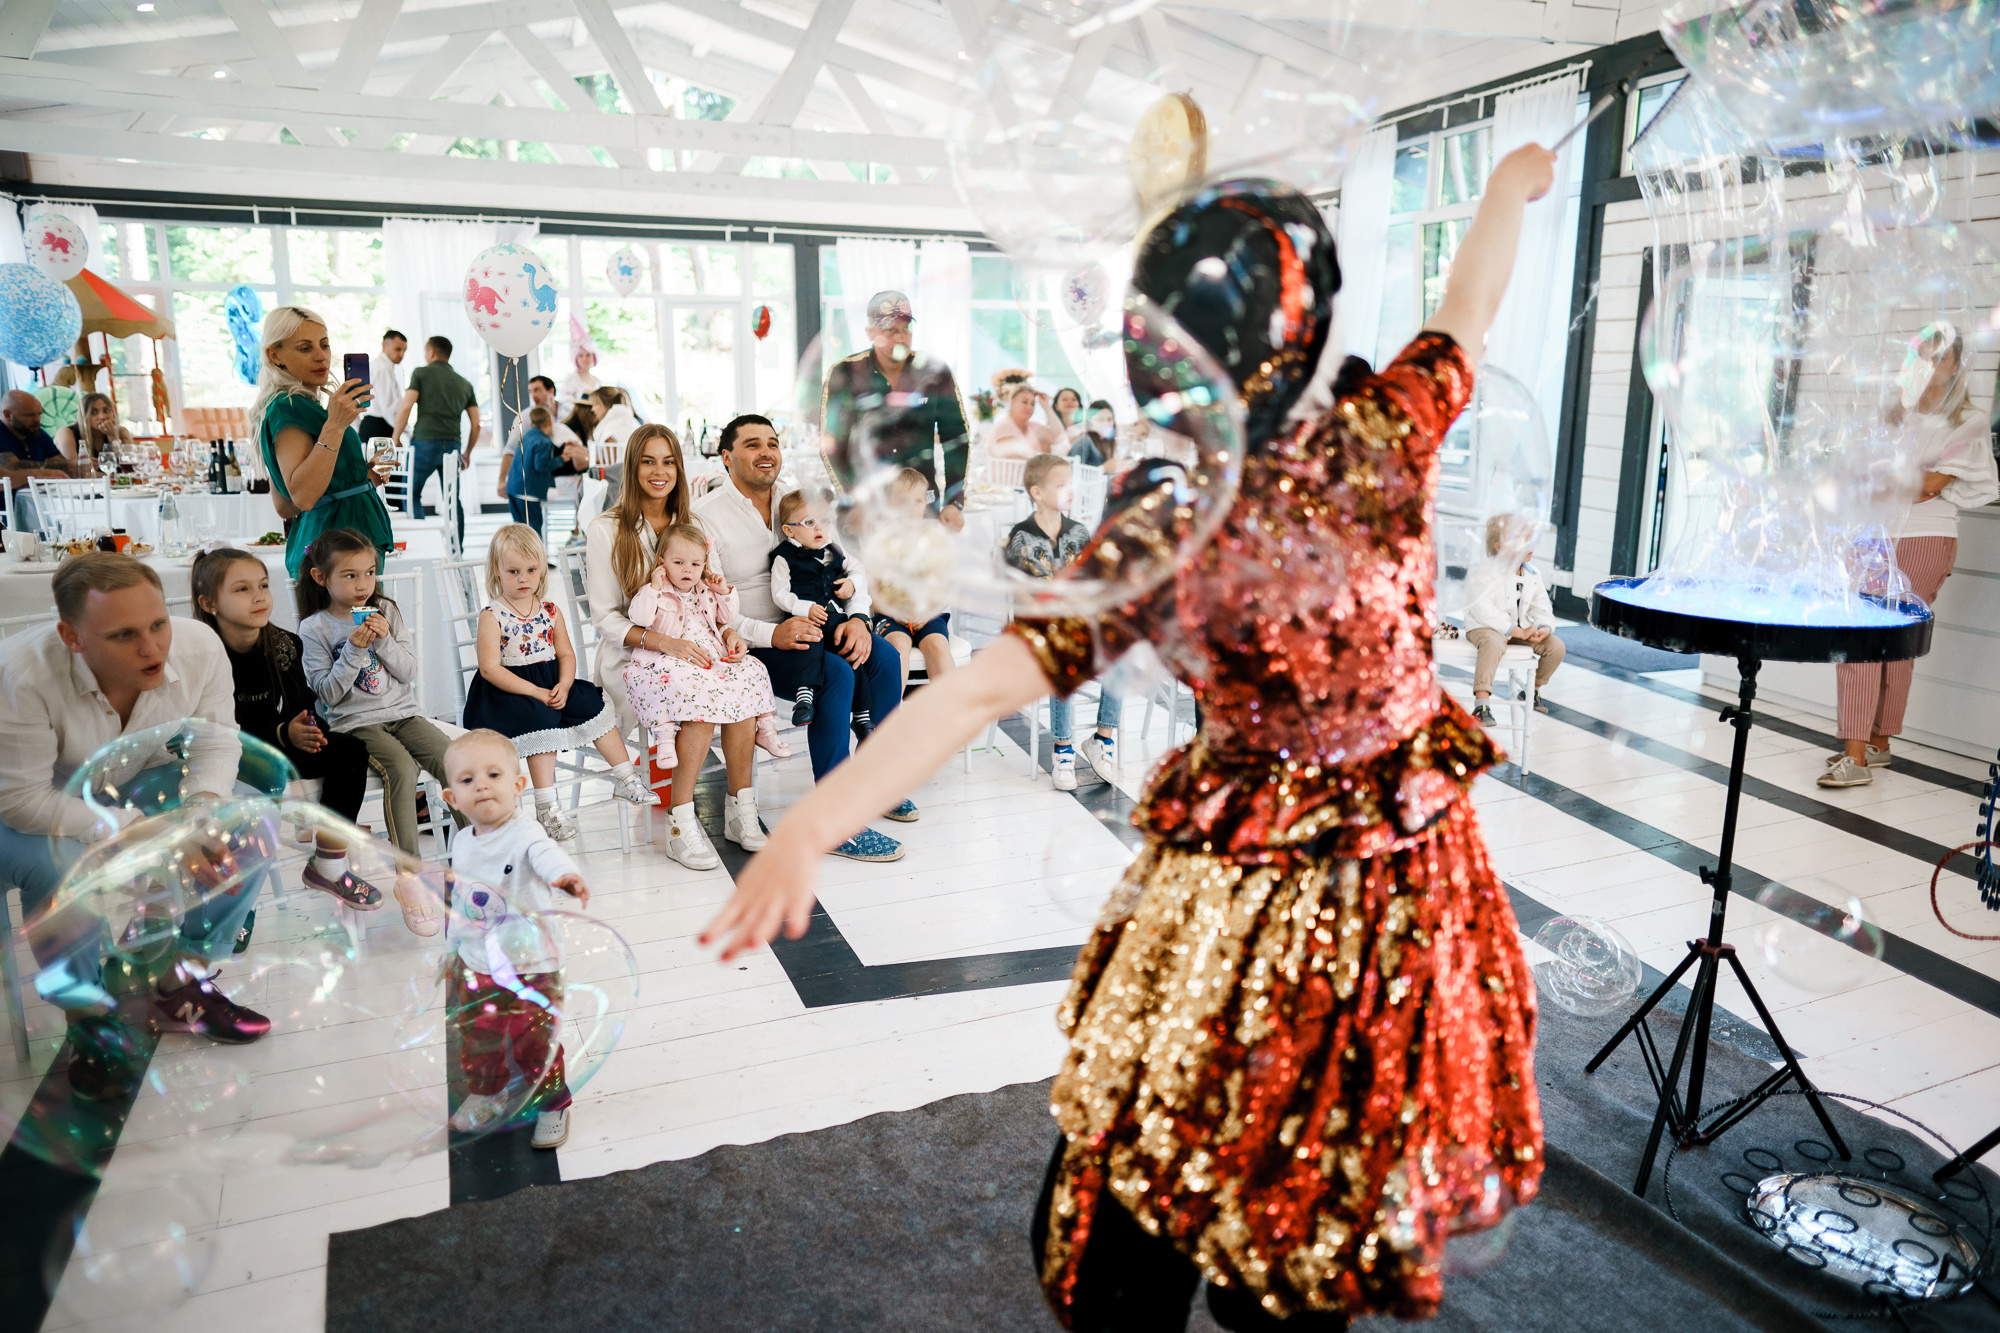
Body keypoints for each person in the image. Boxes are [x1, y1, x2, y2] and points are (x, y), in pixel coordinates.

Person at [704, 145, 1559, 1331]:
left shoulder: (1179, 514)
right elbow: (1466, 306)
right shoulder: (1384, 425)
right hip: (1401, 887)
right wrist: (1507, 186)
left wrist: (807, 825)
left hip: (1251, 897)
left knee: (1151, 1212)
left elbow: (979, 689)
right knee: (1309, 1197)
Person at [0, 554, 271, 1100]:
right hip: (22, 803)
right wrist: (136, 829)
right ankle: (86, 1017)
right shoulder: (22, 676)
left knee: (249, 821)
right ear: (72, 637)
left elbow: (217, 742)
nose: (152, 649)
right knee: (62, 866)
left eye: (158, 624)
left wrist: (200, 813)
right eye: (123, 635)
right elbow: (22, 799)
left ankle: (180, 979)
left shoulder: (199, 647)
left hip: (124, 778)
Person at [694, 414, 911, 864]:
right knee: (835, 674)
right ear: (726, 456)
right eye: (752, 444)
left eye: (772, 443)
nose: (766, 452)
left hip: (821, 625)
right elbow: (707, 607)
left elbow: (849, 566)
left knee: (884, 658)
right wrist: (772, 633)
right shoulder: (705, 516)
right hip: (754, 644)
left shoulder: (799, 501)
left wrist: (858, 618)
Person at [1822, 323, 2000, 789]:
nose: (1930, 366)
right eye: (1923, 355)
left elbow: (1930, 487)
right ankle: (1870, 746)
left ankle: (1862, 753)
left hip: (1926, 539)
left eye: (1941, 357)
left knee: (1889, 641)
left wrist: (1895, 480)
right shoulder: (1893, 416)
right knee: (1864, 635)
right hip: (1873, 537)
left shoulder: (1967, 421)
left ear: (1956, 366)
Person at [191, 547, 386, 912]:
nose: (259, 597)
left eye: (263, 585)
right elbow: (216, 732)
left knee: (349, 752)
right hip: (223, 754)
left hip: (276, 741)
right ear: (209, 603)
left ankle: (328, 864)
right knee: (256, 786)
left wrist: (309, 729)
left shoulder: (283, 644)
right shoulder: (202, 655)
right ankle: (234, 900)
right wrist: (285, 733)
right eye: (242, 589)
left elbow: (302, 705)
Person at [439, 728, 587, 1150]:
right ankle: (489, 1092)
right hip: (479, 962)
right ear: (452, 798)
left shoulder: (526, 832)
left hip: (533, 963)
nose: (481, 786)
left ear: (519, 785)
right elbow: (463, 901)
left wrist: (565, 875)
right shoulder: (461, 841)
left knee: (534, 1040)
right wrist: (451, 950)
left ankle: (552, 1103)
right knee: (478, 1037)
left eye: (493, 775)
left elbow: (545, 854)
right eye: (467, 780)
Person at [462, 523, 657, 841]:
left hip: (552, 682)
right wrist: (536, 692)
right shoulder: (492, 615)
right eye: (513, 571)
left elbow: (566, 654)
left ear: (541, 569)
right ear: (497, 571)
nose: (523, 579)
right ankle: (547, 806)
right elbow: (490, 669)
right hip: (508, 692)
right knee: (540, 719)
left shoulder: (550, 610)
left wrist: (564, 685)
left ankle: (625, 778)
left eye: (530, 570)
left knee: (590, 703)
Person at [298, 527, 462, 889]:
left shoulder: (385, 610)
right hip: (356, 723)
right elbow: (328, 695)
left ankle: (474, 858)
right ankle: (410, 877)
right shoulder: (314, 628)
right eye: (350, 575)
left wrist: (384, 640)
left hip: (404, 714)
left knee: (453, 759)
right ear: (321, 577)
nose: (363, 584)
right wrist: (354, 650)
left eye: (370, 573)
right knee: (401, 769)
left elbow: (408, 671)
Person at [624, 523, 785, 867]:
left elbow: (724, 618)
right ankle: (679, 823)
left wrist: (727, 619)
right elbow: (637, 619)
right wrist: (654, 587)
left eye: (695, 564)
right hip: (667, 661)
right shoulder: (656, 592)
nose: (687, 570)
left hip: (709, 659)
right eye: (678, 563)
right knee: (701, 709)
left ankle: (740, 811)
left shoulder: (705, 590)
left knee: (745, 681)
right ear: (662, 562)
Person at [251, 305, 396, 579]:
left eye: (325, 345)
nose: (321, 356)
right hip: (336, 552)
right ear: (275, 355)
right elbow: (303, 497)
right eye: (305, 348)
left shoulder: (302, 406)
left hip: (343, 545)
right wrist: (336, 425)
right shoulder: (288, 407)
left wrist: (364, 478)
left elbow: (286, 505)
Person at [1005, 454, 1119, 790]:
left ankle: (1102, 739)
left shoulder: (1079, 532)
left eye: (1070, 484)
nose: (1069, 490)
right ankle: (1063, 749)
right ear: (1037, 492)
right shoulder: (1021, 535)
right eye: (1060, 485)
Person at [821, 290, 970, 531]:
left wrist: (954, 502)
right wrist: (850, 500)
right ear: (870, 332)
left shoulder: (935, 373)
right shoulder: (846, 373)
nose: (900, 338)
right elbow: (833, 444)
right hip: (869, 507)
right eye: (890, 330)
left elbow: (956, 439)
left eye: (905, 329)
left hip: (921, 505)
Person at [584, 424, 694, 737]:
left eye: (668, 461)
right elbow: (605, 618)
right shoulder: (606, 529)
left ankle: (722, 776)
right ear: (632, 467)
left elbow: (706, 597)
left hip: (689, 647)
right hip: (631, 657)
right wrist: (663, 643)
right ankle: (672, 765)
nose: (660, 471)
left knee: (737, 681)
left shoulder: (692, 524)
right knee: (692, 693)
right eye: (648, 461)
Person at [768, 490, 865, 727]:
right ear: (790, 530)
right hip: (806, 618)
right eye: (810, 522)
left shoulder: (835, 550)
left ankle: (862, 716)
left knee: (854, 653)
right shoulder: (784, 557)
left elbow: (858, 569)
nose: (819, 527)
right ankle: (804, 698)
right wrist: (805, 607)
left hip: (836, 617)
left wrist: (852, 584)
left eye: (824, 520)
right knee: (809, 643)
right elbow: (780, 594)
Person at [1461, 514, 1564, 725]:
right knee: (1493, 643)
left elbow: (1542, 606)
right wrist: (1516, 631)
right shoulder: (1485, 573)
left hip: (1517, 630)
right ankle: (1482, 705)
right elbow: (1483, 610)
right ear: (1500, 548)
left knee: (1556, 647)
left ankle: (1531, 691)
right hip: (1484, 627)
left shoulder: (1532, 575)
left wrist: (1543, 627)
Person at [870, 470, 956, 694]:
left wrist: (929, 612)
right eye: (902, 502)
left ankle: (949, 706)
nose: (910, 508)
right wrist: (893, 611)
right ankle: (891, 710)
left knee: (938, 645)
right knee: (897, 646)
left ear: (926, 502)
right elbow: (870, 592)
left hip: (928, 613)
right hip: (890, 615)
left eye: (917, 501)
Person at [390, 334, 480, 544]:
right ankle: (456, 547)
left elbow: (406, 406)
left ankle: (423, 542)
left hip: (424, 442)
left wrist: (395, 437)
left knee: (411, 493)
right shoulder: (465, 384)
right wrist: (467, 453)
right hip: (453, 446)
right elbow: (476, 424)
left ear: (431, 352)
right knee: (452, 499)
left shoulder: (421, 373)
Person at [499, 375, 587, 508]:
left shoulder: (569, 411)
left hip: (573, 470)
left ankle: (581, 520)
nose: (533, 395)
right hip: (543, 473)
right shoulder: (526, 417)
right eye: (531, 391)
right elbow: (510, 450)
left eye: (537, 390)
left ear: (551, 391)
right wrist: (501, 480)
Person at [505, 407, 562, 539]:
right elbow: (541, 466)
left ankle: (521, 552)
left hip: (513, 488)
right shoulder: (544, 442)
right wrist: (561, 459)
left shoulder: (525, 436)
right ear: (550, 423)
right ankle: (536, 553)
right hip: (528, 492)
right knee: (534, 530)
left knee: (520, 531)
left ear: (531, 424)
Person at [54, 392, 132, 475]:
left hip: (116, 483)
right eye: (93, 412)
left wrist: (113, 438)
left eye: (106, 410)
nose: (102, 416)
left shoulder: (121, 431)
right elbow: (75, 472)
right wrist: (113, 478)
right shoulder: (66, 433)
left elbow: (130, 467)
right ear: (84, 416)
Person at [355, 328, 407, 447]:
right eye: (398, 349)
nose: (401, 355)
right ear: (384, 346)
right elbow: (388, 407)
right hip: (379, 427)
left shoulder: (375, 365)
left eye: (404, 350)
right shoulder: (383, 368)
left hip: (371, 425)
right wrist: (400, 433)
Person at [989, 383, 1065, 460]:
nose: (1029, 407)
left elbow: (1059, 436)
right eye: (1024, 402)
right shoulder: (1004, 427)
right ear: (1012, 402)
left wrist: (1047, 406)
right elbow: (1017, 457)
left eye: (1032, 404)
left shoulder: (1032, 426)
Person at [1069, 399, 1118, 470]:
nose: (1106, 424)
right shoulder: (1084, 441)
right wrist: (1103, 469)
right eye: (1100, 419)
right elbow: (1073, 471)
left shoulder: (1107, 441)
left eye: (1109, 419)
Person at [590, 386, 639, 454]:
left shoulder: (610, 429)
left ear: (606, 404)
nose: (592, 409)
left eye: (595, 404)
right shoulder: (631, 421)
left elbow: (609, 459)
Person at [559, 344, 604, 415]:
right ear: (576, 358)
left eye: (588, 355)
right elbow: (566, 403)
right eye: (581, 355)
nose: (584, 359)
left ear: (594, 357)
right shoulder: (571, 379)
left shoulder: (598, 381)